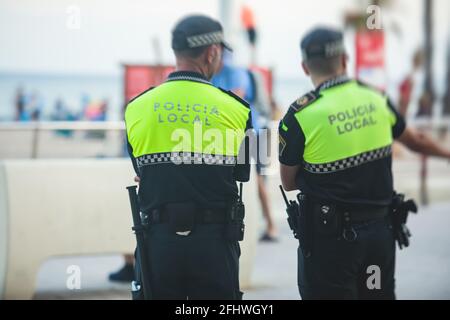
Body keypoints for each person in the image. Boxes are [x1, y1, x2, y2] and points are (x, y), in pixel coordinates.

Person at [278, 27, 450, 300]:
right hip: (380, 236)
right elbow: (416, 140)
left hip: (330, 244)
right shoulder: (376, 99)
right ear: (345, 60)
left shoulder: (299, 116)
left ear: (304, 67)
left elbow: (288, 183)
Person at [124, 15, 252, 300]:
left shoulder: (136, 108)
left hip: (157, 244)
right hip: (216, 244)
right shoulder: (238, 109)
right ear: (212, 52)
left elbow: (141, 171)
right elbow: (242, 174)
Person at [212, 54, 277, 241]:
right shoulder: (212, 74)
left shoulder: (235, 72)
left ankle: (271, 225)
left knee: (256, 180)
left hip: (251, 133)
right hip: (229, 134)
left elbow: (236, 97)